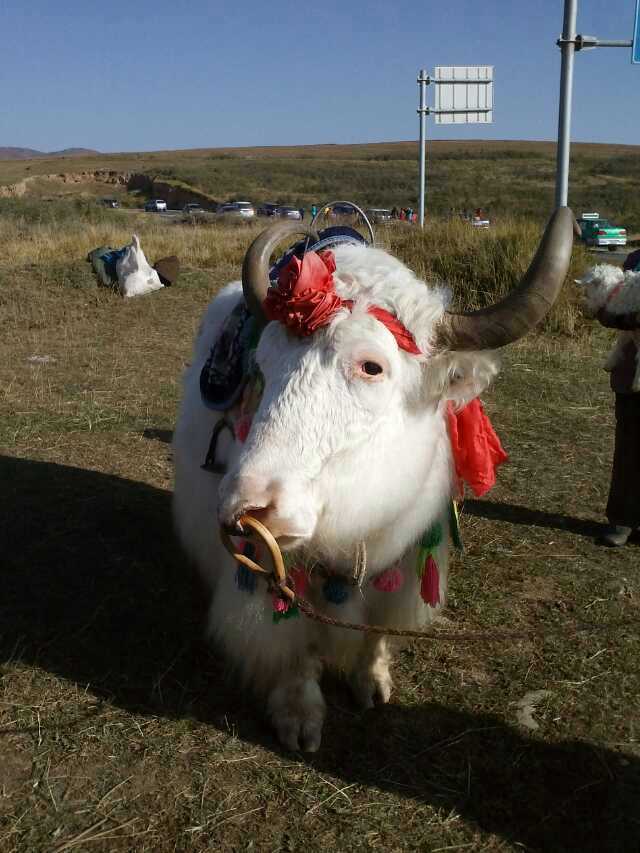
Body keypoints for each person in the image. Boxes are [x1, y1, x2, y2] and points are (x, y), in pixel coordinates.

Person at [596, 248, 640, 546]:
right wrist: (624, 316)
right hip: (631, 375)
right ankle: (622, 520)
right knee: (629, 448)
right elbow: (608, 307)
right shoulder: (635, 260)